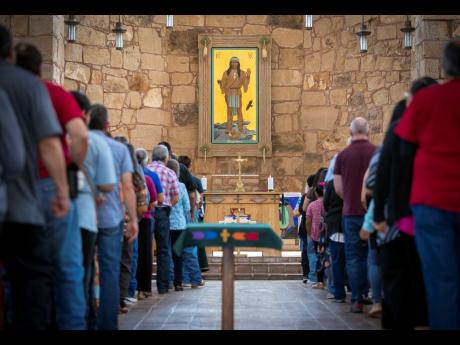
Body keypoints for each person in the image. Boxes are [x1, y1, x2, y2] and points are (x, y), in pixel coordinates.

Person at [15, 43, 90, 330]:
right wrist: (72, 166)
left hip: (13, 187)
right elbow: (80, 135)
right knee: (68, 267)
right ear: (39, 67)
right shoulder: (53, 92)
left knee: (16, 268)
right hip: (49, 184)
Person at [0, 24, 69, 330]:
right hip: (21, 205)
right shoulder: (29, 85)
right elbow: (49, 143)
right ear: (9, 52)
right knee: (31, 285)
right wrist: (62, 190)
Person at [392, 39, 460, 330]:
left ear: (444, 67)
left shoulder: (426, 100)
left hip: (431, 199)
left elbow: (404, 152)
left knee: (441, 279)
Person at [373, 77, 437, 329]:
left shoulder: (402, 126)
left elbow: (384, 172)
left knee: (399, 279)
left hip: (403, 217)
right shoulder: (441, 126)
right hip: (432, 213)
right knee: (425, 276)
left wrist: (378, 214)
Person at [88, 104, 138, 330]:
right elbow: (128, 187)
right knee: (110, 270)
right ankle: (108, 324)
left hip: (86, 216)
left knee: (84, 269)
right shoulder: (119, 149)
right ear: (108, 125)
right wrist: (133, 219)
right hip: (111, 218)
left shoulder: (84, 143)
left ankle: (86, 320)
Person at [70, 90, 117, 329]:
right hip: (86, 216)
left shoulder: (60, 136)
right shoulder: (97, 142)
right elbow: (109, 184)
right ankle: (84, 321)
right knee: (84, 272)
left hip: (54, 213)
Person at [333, 117, 376, 313]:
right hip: (373, 212)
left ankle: (357, 299)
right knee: (373, 255)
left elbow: (338, 189)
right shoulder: (376, 152)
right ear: (368, 132)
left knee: (353, 257)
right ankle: (375, 298)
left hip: (350, 212)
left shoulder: (342, 156)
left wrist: (351, 197)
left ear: (350, 133)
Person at [147, 145, 179, 294]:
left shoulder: (145, 170)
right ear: (166, 159)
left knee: (144, 248)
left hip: (146, 212)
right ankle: (163, 286)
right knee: (163, 249)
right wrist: (167, 206)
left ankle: (144, 287)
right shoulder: (170, 173)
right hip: (162, 213)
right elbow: (175, 197)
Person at [135, 151, 157, 301]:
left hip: (128, 218)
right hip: (145, 218)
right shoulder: (147, 178)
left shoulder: (128, 175)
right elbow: (154, 202)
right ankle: (145, 288)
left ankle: (133, 288)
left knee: (132, 254)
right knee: (145, 253)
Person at [166, 159, 190, 291]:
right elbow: (187, 207)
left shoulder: (164, 183)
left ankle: (167, 281)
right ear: (178, 172)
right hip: (179, 224)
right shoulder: (181, 186)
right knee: (178, 255)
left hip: (165, 223)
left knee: (165, 253)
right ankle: (178, 283)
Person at [324, 177, 345, 303]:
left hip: (336, 222)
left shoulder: (332, 183)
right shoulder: (353, 180)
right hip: (353, 218)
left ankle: (338, 292)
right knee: (355, 258)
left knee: (336, 260)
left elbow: (326, 204)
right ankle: (359, 293)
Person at [218, 56, 251, 133]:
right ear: (230, 63)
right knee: (229, 111)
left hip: (237, 93)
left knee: (239, 111)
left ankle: (240, 128)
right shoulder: (226, 73)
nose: (234, 63)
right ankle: (229, 128)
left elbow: (245, 83)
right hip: (229, 93)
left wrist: (248, 76)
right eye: (232, 62)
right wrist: (221, 85)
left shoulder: (242, 73)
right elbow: (223, 84)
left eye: (236, 62)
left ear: (238, 63)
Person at [294, 175, 314, 283]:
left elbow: (298, 211)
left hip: (307, 226)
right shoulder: (320, 194)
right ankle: (317, 276)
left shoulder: (306, 196)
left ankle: (307, 274)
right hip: (319, 226)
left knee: (306, 250)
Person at [306, 184, 326, 289]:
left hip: (316, 235)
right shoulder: (329, 203)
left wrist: (310, 233)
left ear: (316, 193)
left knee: (319, 257)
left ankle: (320, 282)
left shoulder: (312, 205)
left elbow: (308, 220)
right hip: (328, 234)